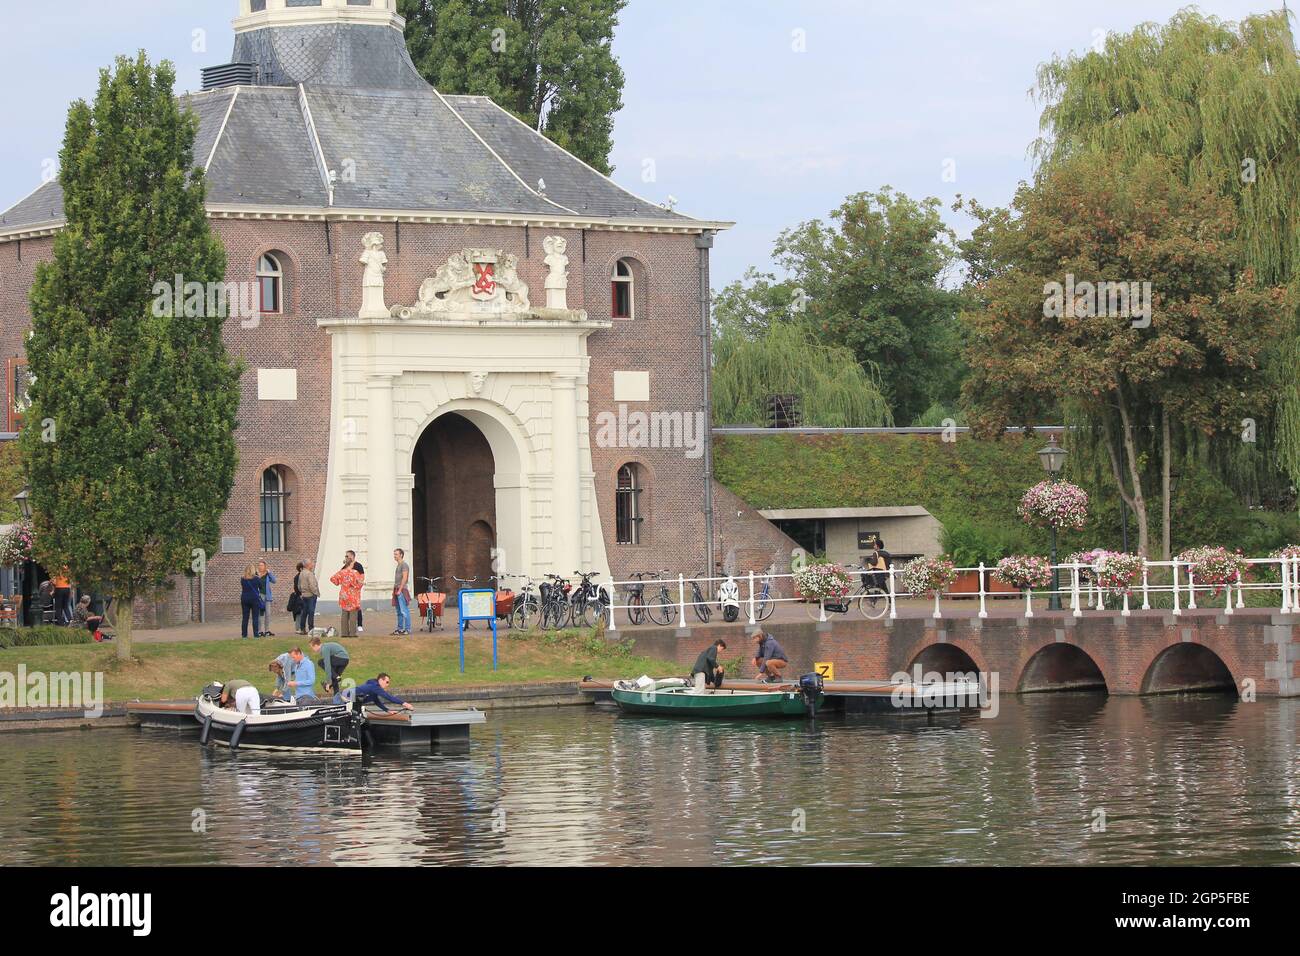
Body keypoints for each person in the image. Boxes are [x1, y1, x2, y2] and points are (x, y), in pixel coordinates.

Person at [331, 554, 364, 638]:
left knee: (344, 614)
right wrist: (356, 587)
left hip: (344, 595)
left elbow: (333, 579)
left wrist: (340, 583)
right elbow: (360, 583)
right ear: (351, 564)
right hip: (353, 595)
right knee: (353, 614)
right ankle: (352, 633)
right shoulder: (355, 573)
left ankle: (344, 633)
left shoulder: (341, 572)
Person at [240, 564, 265, 640]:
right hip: (254, 599)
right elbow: (261, 587)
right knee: (255, 617)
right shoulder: (256, 578)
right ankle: (256, 635)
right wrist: (258, 576)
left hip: (245, 599)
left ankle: (244, 636)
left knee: (245, 618)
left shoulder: (243, 579)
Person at [392, 548, 411, 635]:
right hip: (397, 589)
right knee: (399, 611)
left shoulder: (404, 565)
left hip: (402, 590)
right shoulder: (398, 565)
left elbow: (405, 578)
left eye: (396, 554)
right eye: (394, 554)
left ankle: (407, 629)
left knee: (404, 610)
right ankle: (399, 628)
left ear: (401, 555)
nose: (394, 556)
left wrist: (400, 590)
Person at [298, 559, 320, 634]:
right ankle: (311, 629)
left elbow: (299, 586)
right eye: (311, 563)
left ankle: (302, 628)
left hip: (304, 595)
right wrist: (316, 593)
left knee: (304, 612)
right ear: (308, 565)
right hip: (311, 595)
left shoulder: (301, 573)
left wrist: (302, 592)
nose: (312, 564)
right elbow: (312, 585)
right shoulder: (309, 574)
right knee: (311, 612)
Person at [257, 560, 277, 638]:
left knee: (268, 614)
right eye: (259, 565)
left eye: (262, 565)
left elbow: (274, 581)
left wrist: (269, 572)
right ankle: (259, 631)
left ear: (265, 566)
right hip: (259, 596)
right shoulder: (256, 575)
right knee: (260, 614)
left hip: (267, 596)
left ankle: (267, 631)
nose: (260, 566)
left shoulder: (268, 575)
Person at [349, 552, 366, 634]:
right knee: (348, 607)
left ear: (352, 556)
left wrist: (358, 586)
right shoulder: (346, 566)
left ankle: (359, 625)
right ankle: (349, 624)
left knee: (357, 607)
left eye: (347, 556)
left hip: (355, 590)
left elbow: (362, 577)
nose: (346, 557)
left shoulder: (358, 565)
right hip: (347, 591)